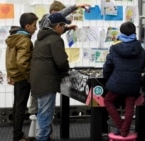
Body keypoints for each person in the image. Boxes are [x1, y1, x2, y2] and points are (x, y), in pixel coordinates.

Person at [28, 0, 90, 116]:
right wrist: (75, 6)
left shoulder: (46, 33)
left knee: (42, 110)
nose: (59, 17)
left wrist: (66, 28)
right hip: (45, 78)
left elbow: (56, 24)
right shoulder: (47, 20)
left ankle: (39, 128)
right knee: (42, 111)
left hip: (41, 76)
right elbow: (60, 16)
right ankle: (41, 131)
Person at [30, 13, 70, 141]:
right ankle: (42, 138)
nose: (64, 29)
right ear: (58, 26)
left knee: (42, 112)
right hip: (47, 81)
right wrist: (65, 72)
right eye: (63, 26)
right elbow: (61, 61)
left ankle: (44, 137)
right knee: (45, 114)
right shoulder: (56, 39)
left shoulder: (40, 38)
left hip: (37, 79)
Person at [103, 21, 145, 137]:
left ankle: (120, 125)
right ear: (134, 33)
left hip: (117, 82)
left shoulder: (114, 48)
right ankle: (124, 130)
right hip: (133, 83)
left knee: (107, 100)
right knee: (130, 106)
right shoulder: (141, 50)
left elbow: (107, 66)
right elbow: (142, 66)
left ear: (121, 32)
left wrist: (107, 79)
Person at [5, 12, 38, 141]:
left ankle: (17, 134)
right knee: (20, 107)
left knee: (17, 106)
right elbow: (21, 62)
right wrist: (30, 77)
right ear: (27, 26)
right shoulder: (24, 40)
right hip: (22, 78)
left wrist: (10, 74)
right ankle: (17, 136)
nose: (36, 28)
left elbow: (10, 59)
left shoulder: (15, 37)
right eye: (34, 25)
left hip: (16, 76)